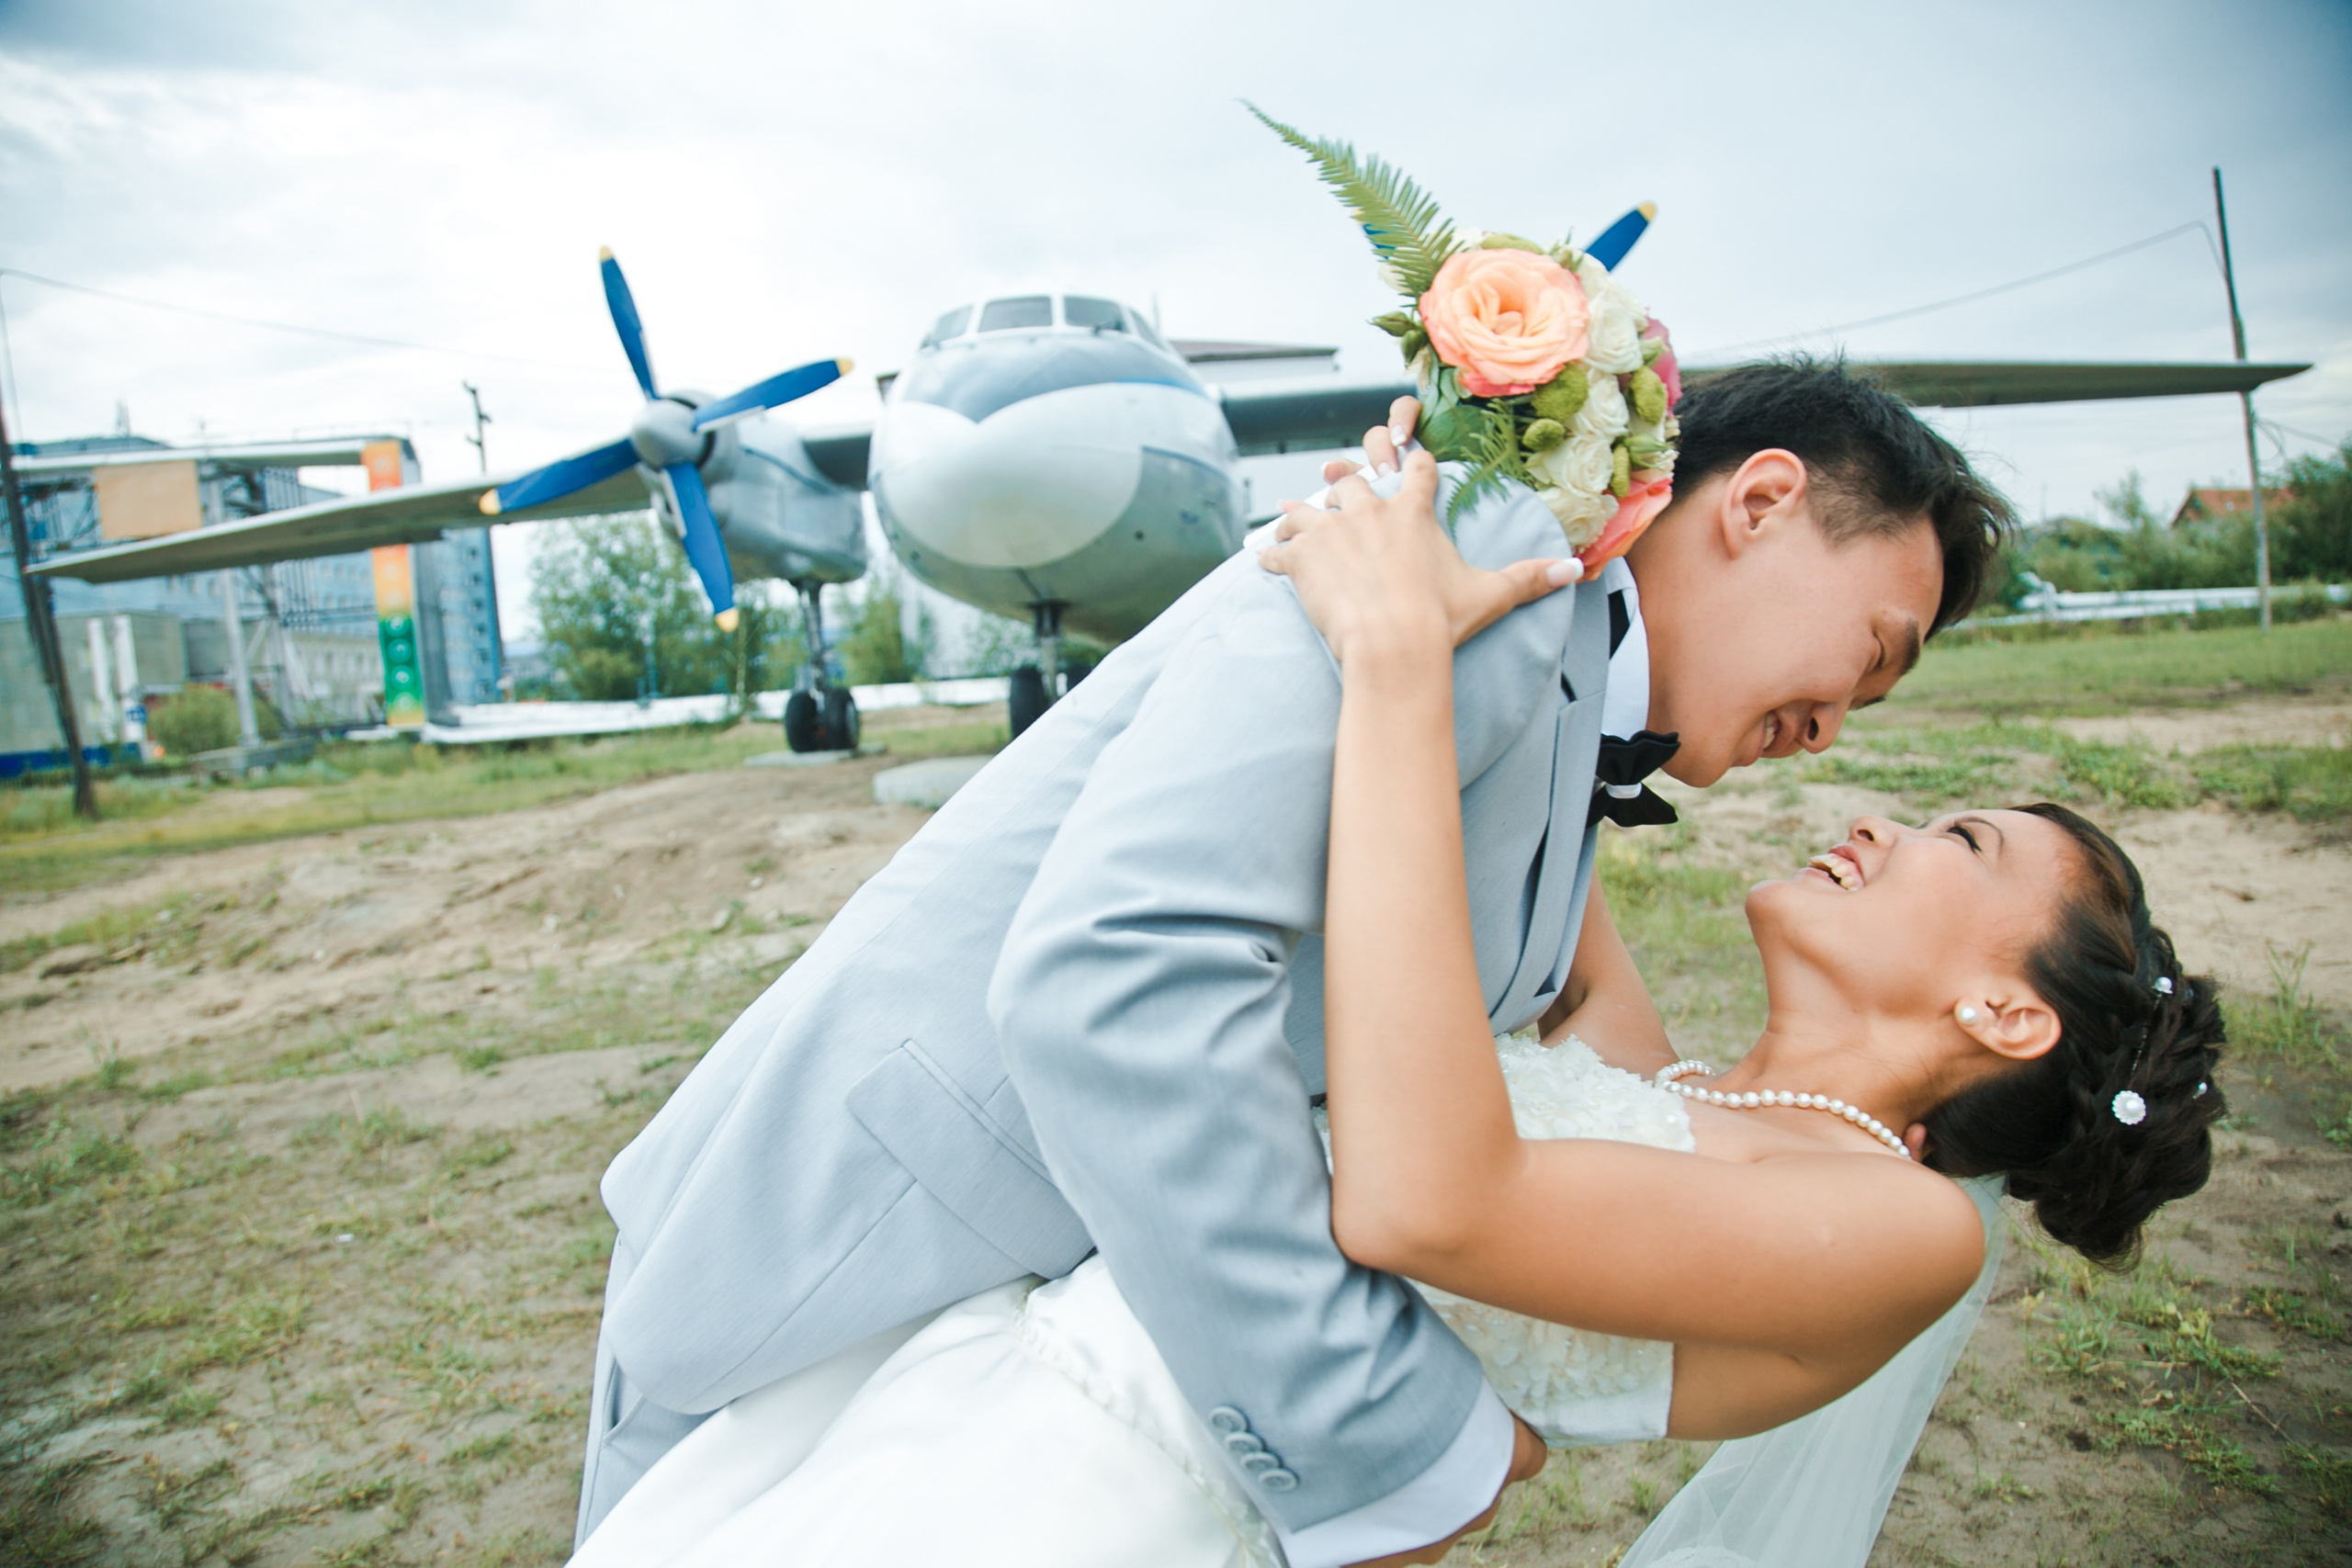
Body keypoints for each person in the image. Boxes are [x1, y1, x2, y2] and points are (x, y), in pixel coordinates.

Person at [565, 455, 2224, 1568]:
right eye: (1872, 651)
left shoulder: (1906, 1231)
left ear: (2012, 1016)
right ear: (1765, 498)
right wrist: (1507, 478)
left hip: (1151, 1476)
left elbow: (1430, 1191)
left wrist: (1401, 663)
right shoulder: (1675, 1088)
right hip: (991, 1355)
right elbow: (1534, 858)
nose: (1858, 766)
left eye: (1960, 843)